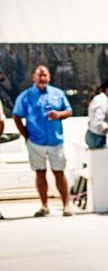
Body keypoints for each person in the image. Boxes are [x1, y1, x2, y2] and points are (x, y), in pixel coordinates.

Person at [13, 65, 74, 217]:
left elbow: (69, 111)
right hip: (35, 142)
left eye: (45, 75)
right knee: (40, 173)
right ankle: (44, 206)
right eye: (39, 75)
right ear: (34, 77)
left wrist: (59, 114)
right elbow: (16, 115)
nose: (42, 78)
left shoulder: (57, 93)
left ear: (49, 77)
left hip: (55, 141)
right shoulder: (26, 96)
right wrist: (25, 135)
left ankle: (66, 205)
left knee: (59, 173)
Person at [86, 78, 108, 149]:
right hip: (96, 138)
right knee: (102, 159)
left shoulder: (103, 98)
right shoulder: (101, 102)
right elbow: (98, 123)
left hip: (93, 135)